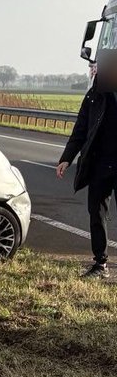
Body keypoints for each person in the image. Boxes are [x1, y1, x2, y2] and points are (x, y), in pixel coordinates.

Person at [55, 78, 117, 279]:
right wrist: (67, 158)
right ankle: (100, 264)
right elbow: (81, 128)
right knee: (96, 212)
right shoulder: (94, 95)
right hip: (100, 164)